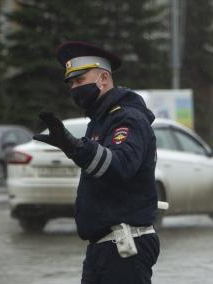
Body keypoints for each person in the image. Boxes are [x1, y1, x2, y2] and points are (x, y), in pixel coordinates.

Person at [33, 41, 160, 284]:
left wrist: (75, 147)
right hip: (103, 248)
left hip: (124, 248)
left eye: (80, 81)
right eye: (71, 83)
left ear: (103, 79)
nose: (74, 88)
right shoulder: (100, 121)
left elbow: (120, 166)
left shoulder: (127, 118)